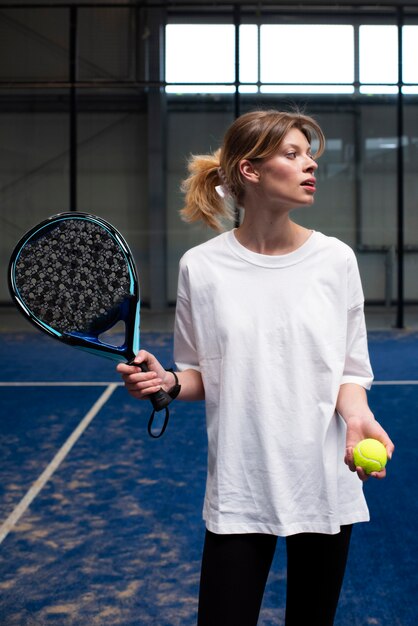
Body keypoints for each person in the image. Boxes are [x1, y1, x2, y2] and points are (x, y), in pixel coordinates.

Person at [117, 110, 395, 626]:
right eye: (293, 154)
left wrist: (356, 418)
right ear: (250, 170)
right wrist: (169, 382)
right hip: (240, 484)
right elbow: (202, 372)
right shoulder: (200, 268)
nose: (310, 165)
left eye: (309, 155)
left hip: (324, 479)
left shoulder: (336, 261)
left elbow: (350, 370)